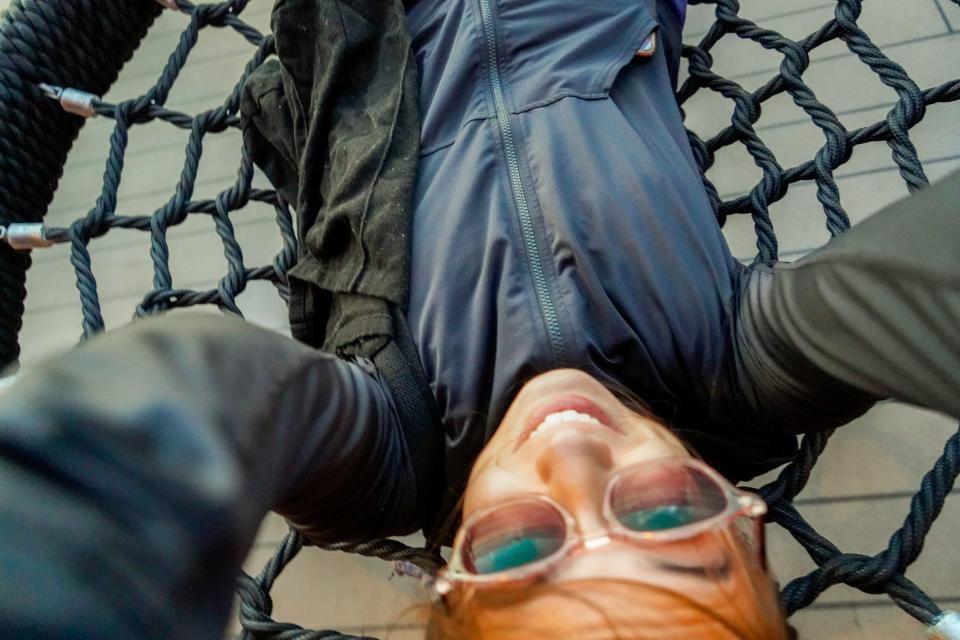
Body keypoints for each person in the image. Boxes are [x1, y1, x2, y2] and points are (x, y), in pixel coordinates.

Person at [1, 0, 959, 638]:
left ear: (452, 575)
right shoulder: (739, 374)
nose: (579, 459)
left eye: (518, 549)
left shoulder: (390, 458)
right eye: (666, 517)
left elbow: (197, 393)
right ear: (743, 524)